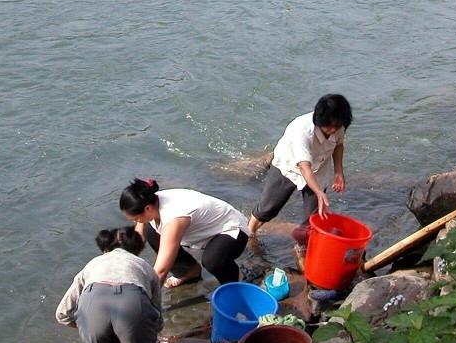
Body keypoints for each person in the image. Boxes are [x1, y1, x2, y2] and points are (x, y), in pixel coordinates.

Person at [248, 93, 352, 235]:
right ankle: (249, 232)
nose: (333, 130)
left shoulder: (339, 126)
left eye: (337, 126)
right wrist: (319, 192)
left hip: (319, 168)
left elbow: (339, 145)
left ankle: (301, 247)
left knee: (314, 217)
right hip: (289, 166)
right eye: (329, 127)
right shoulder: (302, 131)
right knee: (268, 208)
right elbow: (304, 167)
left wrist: (338, 172)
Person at [120, 179, 250, 288]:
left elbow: (161, 271)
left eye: (136, 219)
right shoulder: (149, 199)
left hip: (232, 230)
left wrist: (146, 299)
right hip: (204, 231)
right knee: (150, 230)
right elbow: (138, 237)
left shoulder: (173, 218)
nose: (136, 222)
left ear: (147, 208)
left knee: (212, 261)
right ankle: (188, 271)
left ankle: (235, 283)